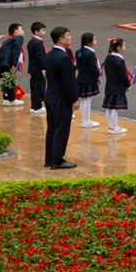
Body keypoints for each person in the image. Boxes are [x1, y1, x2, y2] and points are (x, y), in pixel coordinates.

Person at [42, 27, 79, 169]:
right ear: (61, 39)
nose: (70, 38)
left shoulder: (50, 54)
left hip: (50, 96)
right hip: (61, 99)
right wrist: (74, 100)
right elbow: (68, 82)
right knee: (61, 129)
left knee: (52, 128)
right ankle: (57, 160)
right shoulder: (63, 57)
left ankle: (49, 158)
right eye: (68, 36)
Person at [101, 37, 132, 135]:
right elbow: (123, 75)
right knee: (114, 108)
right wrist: (127, 84)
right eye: (124, 45)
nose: (125, 47)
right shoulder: (119, 60)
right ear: (118, 48)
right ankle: (114, 127)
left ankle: (111, 126)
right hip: (117, 86)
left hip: (110, 85)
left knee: (109, 108)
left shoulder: (109, 58)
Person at [26, 21, 48, 116]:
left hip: (34, 69)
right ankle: (36, 106)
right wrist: (44, 69)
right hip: (38, 69)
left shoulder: (32, 42)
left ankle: (36, 105)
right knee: (38, 88)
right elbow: (40, 57)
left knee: (36, 87)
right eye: (42, 30)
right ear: (36, 32)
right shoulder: (37, 43)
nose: (44, 32)